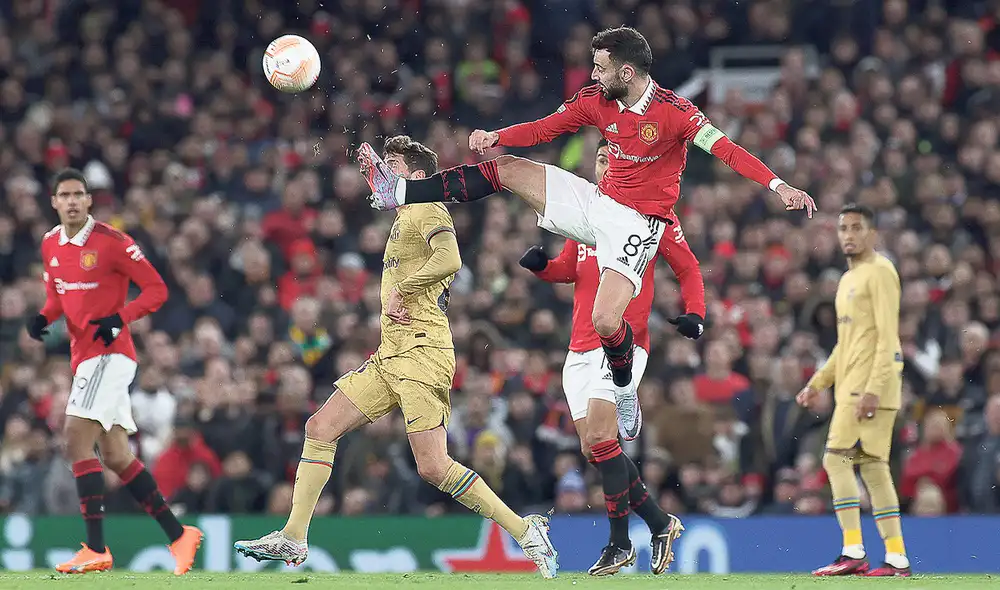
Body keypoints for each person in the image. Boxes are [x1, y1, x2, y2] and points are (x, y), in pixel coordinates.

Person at [357, 26, 816, 444]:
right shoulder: (597, 99)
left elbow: (728, 151)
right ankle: (399, 189)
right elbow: (544, 129)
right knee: (505, 169)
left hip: (640, 224)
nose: (593, 74)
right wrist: (497, 135)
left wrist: (779, 186)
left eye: (600, 67)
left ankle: (623, 386)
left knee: (605, 321)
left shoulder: (676, 113)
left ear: (627, 71)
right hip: (599, 204)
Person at [234, 136, 558, 578]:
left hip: (424, 351)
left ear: (419, 175)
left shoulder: (428, 207)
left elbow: (451, 257)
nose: (384, 173)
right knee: (320, 427)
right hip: (391, 354)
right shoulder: (404, 217)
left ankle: (524, 531)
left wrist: (407, 288)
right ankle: (294, 536)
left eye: (393, 165)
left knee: (433, 466)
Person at [519, 141, 704, 575]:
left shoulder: (654, 217)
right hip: (577, 351)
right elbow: (571, 268)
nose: (605, 164)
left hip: (622, 343)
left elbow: (689, 268)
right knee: (595, 448)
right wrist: (543, 267)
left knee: (603, 438)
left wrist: (696, 313)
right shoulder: (584, 216)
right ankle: (660, 524)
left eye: (612, 158)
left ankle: (620, 543)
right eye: (601, 158)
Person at [27, 168, 202, 575]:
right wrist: (42, 316)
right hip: (82, 357)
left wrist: (119, 318)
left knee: (74, 440)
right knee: (117, 456)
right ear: (54, 202)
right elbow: (58, 295)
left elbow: (157, 290)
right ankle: (179, 536)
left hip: (110, 355)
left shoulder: (113, 242)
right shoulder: (49, 244)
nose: (71, 201)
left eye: (78, 194)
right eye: (64, 195)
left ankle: (96, 548)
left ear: (89, 200)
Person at [796, 204, 910, 577]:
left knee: (835, 459)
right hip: (855, 388)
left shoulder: (881, 272)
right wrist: (817, 383)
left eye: (857, 227)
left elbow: (888, 335)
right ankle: (896, 558)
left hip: (867, 390)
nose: (848, 234)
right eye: (843, 228)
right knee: (873, 469)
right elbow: (845, 346)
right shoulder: (847, 280)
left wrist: (874, 389)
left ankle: (853, 550)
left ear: (872, 234)